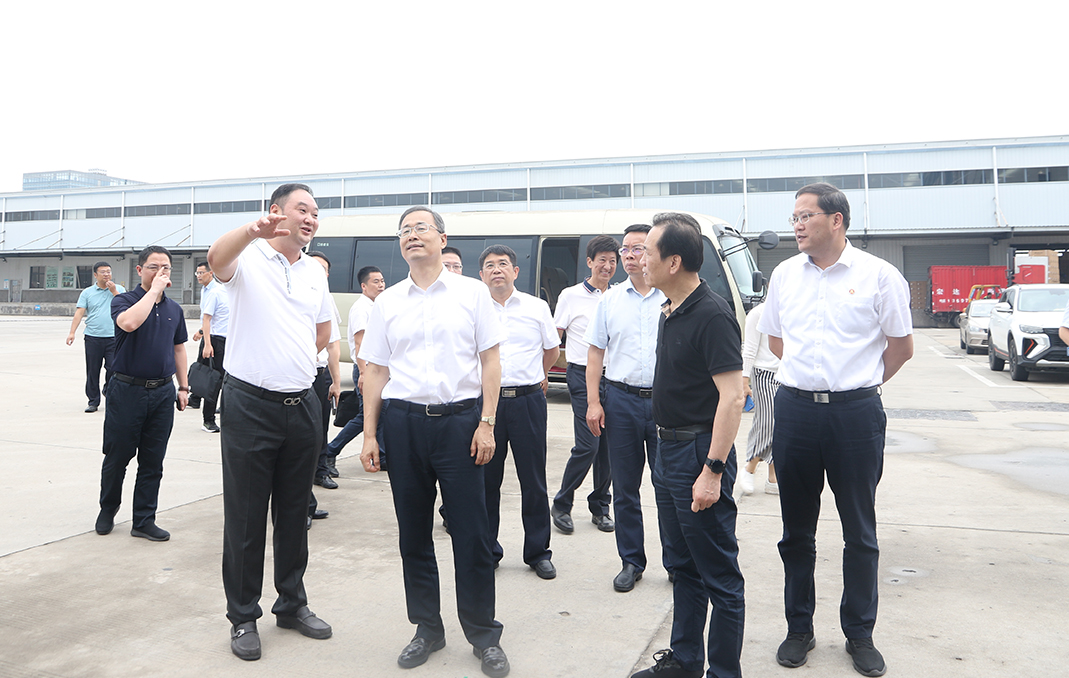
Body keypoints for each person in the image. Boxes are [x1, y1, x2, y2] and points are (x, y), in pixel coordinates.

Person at [759, 183, 913, 677]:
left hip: (855, 417)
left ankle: (860, 634)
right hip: (796, 412)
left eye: (806, 216)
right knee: (796, 531)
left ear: (836, 220)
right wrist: (811, 378)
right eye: (794, 217)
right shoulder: (785, 274)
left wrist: (857, 384)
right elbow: (777, 340)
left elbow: (901, 347)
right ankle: (798, 628)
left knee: (859, 531)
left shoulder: (879, 275)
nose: (797, 225)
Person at [359, 206, 510, 678]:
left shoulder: (471, 293)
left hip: (460, 424)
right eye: (405, 230)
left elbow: (491, 361)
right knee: (413, 533)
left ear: (442, 239)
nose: (412, 235)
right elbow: (376, 371)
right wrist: (369, 434)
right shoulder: (388, 302)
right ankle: (427, 628)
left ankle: (483, 634)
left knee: (472, 534)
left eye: (421, 227)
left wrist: (487, 423)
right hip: (403, 425)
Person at [207, 183, 335, 662]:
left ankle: (292, 604)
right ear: (276, 212)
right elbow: (216, 259)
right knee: (245, 517)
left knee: (295, 513)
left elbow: (323, 329)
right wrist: (250, 231)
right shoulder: (249, 257)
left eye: (316, 212)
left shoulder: (314, 271)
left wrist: (292, 359)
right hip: (250, 406)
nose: (311, 218)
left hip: (302, 405)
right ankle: (243, 616)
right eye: (303, 209)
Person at [631, 212, 745, 678]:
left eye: (646, 253)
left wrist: (712, 470)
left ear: (673, 261)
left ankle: (723, 672)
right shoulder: (671, 308)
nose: (639, 260)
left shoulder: (711, 314)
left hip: (699, 454)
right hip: (667, 452)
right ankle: (684, 660)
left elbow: (733, 397)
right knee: (682, 564)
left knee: (719, 573)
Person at [585, 224, 667, 593]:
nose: (630, 255)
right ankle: (631, 561)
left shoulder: (671, 295)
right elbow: (595, 354)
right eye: (626, 249)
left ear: (653, 252)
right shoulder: (610, 300)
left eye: (639, 248)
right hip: (621, 401)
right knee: (625, 487)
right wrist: (593, 402)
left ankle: (677, 562)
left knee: (668, 485)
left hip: (666, 403)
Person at [95, 246, 188, 543]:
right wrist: (154, 291)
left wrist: (183, 387)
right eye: (153, 267)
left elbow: (178, 348)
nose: (161, 272)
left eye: (166, 267)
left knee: (153, 460)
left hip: (162, 392)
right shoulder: (123, 300)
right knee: (117, 456)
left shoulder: (174, 310)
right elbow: (129, 323)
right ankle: (108, 508)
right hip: (127, 390)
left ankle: (144, 520)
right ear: (139, 270)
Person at [478, 244, 560, 580]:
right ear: (481, 275)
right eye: (489, 265)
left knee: (533, 480)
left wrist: (537, 375)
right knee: (486, 481)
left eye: (503, 264)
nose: (496, 270)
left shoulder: (536, 307)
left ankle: (538, 552)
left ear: (515, 271)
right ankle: (488, 551)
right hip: (487, 406)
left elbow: (551, 351)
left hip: (528, 402)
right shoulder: (474, 308)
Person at [550, 235, 619, 537]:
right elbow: (555, 336)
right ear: (589, 262)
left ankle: (600, 507)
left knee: (608, 448)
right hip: (580, 375)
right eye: (602, 260)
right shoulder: (571, 295)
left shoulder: (619, 295)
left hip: (614, 377)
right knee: (588, 445)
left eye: (612, 261)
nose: (607, 266)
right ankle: (562, 503)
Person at [325, 265, 387, 466]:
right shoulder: (361, 308)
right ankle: (331, 450)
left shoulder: (376, 306)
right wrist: (363, 372)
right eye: (375, 282)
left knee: (381, 414)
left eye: (382, 281)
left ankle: (382, 455)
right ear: (364, 286)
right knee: (366, 415)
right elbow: (360, 343)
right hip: (367, 369)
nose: (381, 285)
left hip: (377, 369)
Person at [67, 261, 125, 412]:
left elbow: (126, 306)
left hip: (114, 337)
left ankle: (108, 390)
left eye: (109, 272)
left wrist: (114, 292)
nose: (106, 274)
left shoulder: (119, 289)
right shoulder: (87, 292)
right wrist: (72, 332)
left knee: (114, 368)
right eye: (103, 272)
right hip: (93, 337)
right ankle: (93, 401)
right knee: (93, 370)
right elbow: (79, 312)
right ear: (95, 275)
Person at [308, 251, 342, 503]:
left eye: (323, 268)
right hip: (295, 375)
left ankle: (320, 471)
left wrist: (336, 382)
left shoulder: (326, 299)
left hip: (319, 375)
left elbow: (333, 345)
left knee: (320, 427)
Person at [739, 301, 779, 495]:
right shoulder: (758, 313)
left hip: (788, 375)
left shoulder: (795, 309)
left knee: (781, 426)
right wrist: (744, 382)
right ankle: (750, 466)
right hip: (764, 373)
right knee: (767, 423)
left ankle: (773, 477)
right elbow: (749, 349)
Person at [190, 262, 228, 432]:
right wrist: (207, 343)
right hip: (215, 341)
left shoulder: (221, 291)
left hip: (224, 340)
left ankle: (196, 398)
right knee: (213, 380)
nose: (198, 276)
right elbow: (207, 319)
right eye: (197, 273)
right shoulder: (212, 292)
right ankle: (208, 420)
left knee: (217, 378)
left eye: (201, 273)